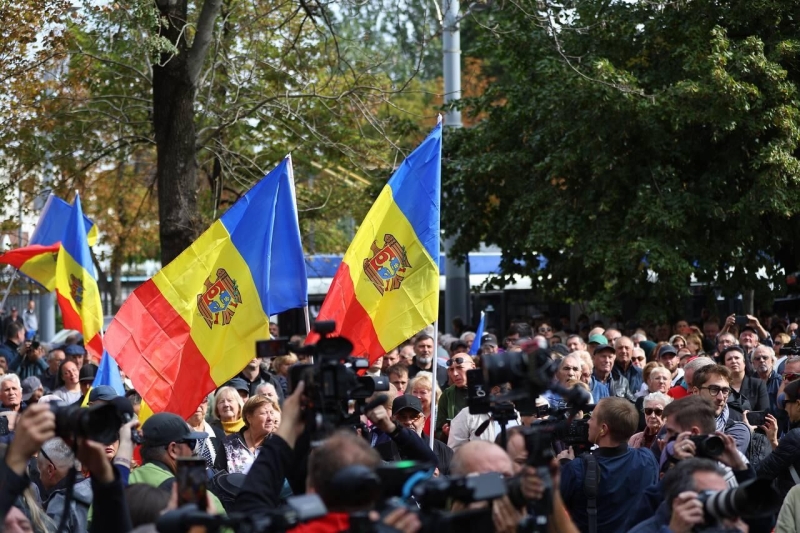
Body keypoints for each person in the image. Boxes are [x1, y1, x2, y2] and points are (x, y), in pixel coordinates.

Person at [559, 397, 659, 533]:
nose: (587, 422)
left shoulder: (577, 469)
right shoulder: (647, 459)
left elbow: (552, 508)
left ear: (603, 429)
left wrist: (563, 464)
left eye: (592, 418)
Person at [628, 458, 747, 533]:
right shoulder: (647, 530)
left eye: (723, 495)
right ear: (680, 500)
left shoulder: (722, 526)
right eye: (711, 496)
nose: (719, 502)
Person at [382, 394, 453, 474]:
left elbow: (455, 481)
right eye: (402, 417)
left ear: (423, 421)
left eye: (414, 416)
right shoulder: (380, 452)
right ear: (392, 421)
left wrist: (438, 477)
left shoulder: (443, 451)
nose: (408, 422)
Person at [690, 364, 751, 454]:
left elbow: (721, 463)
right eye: (714, 389)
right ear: (696, 392)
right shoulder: (677, 422)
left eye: (725, 391)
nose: (721, 397)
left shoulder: (738, 429)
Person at [756, 379, 800, 498]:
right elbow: (788, 460)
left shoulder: (796, 436)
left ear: (798, 404)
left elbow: (763, 472)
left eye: (786, 403)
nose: (785, 409)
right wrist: (773, 441)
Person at [38, 437, 93, 532]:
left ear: (50, 470)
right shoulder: (100, 490)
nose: (39, 477)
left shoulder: (60, 501)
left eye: (40, 469)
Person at [217, 395, 280, 474]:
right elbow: (218, 479)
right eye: (264, 413)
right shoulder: (228, 444)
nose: (270, 418)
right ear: (249, 418)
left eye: (271, 413)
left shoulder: (277, 446)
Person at [435, 353, 476, 441]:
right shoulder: (447, 395)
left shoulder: (488, 390)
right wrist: (446, 433)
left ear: (473, 367)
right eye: (451, 369)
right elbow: (438, 432)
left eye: (459, 368)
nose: (455, 373)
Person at [721, 345, 769, 412]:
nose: (733, 361)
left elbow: (763, 411)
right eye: (729, 359)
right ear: (724, 365)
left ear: (744, 362)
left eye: (737, 358)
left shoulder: (757, 384)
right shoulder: (721, 386)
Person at [187, 395, 224, 469]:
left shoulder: (218, 433)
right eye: (192, 401)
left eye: (202, 400)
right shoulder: (178, 436)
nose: (197, 405)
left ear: (207, 403)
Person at [407, 371, 440, 436]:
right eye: (415, 392)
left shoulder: (438, 414)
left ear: (433, 394)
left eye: (423, 392)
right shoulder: (406, 412)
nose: (418, 396)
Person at [752, 344, 783, 414]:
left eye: (765, 357)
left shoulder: (781, 382)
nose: (761, 360)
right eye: (757, 358)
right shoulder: (748, 383)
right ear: (753, 363)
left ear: (772, 361)